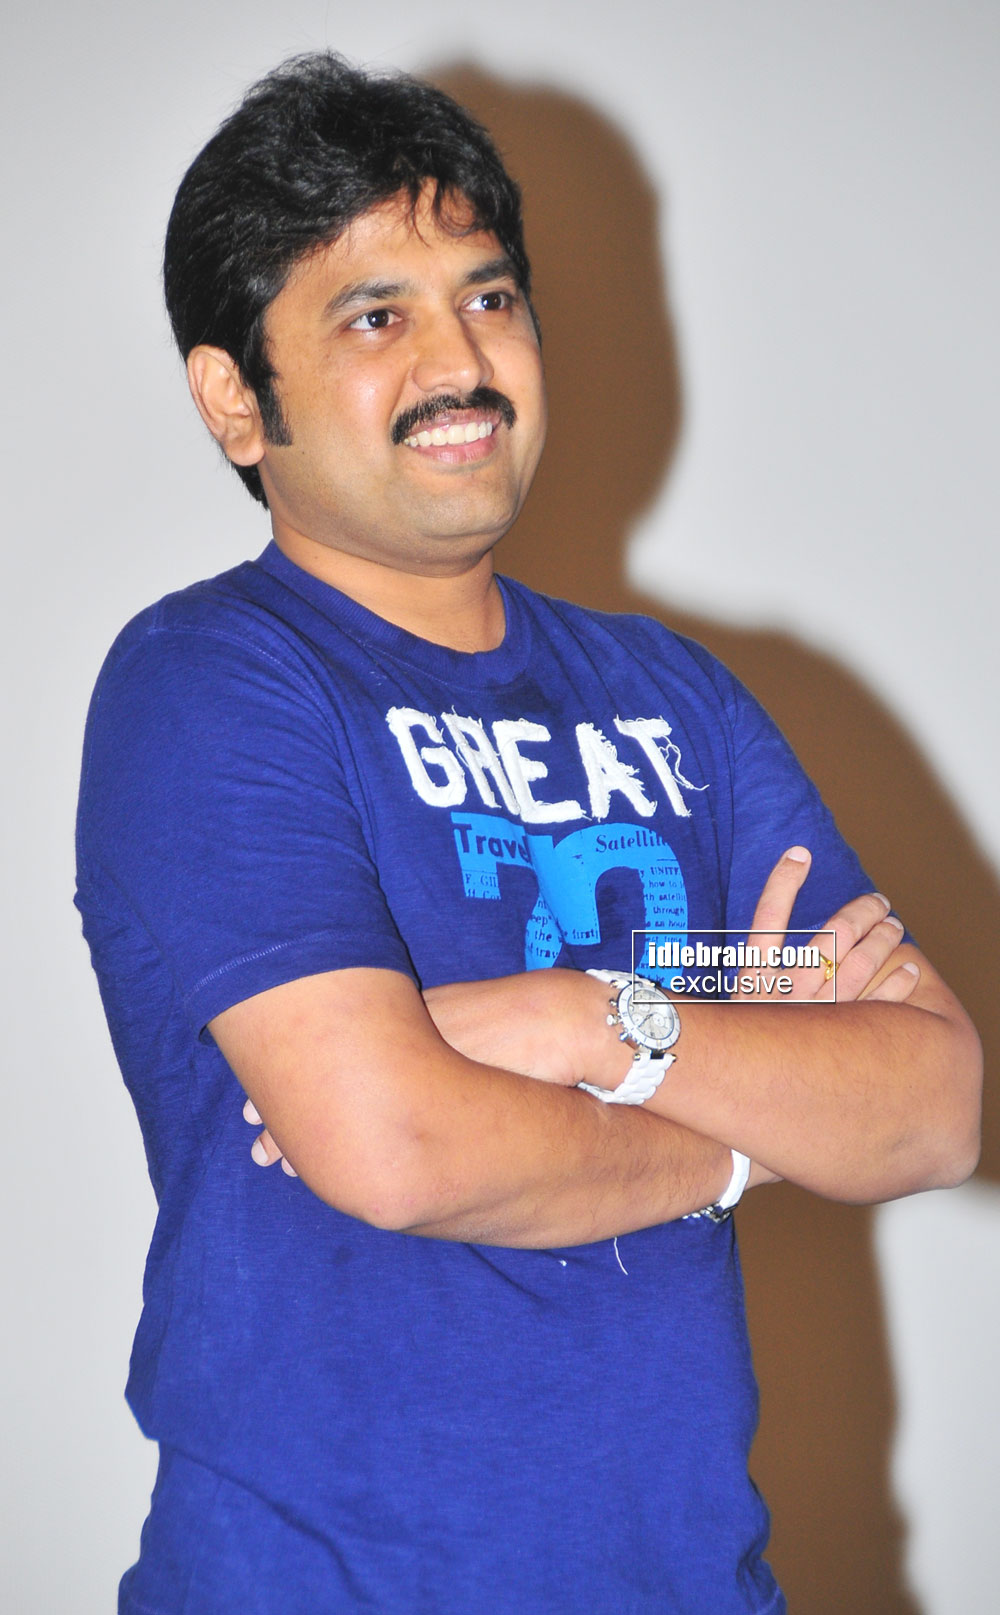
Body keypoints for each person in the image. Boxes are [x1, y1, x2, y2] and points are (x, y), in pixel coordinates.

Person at [75, 51, 981, 1615]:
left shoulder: (677, 699)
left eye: (489, 299)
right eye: (377, 318)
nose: (462, 361)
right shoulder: (209, 681)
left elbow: (933, 1107)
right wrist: (749, 1134)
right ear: (234, 399)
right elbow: (396, 1146)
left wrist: (582, 1022)